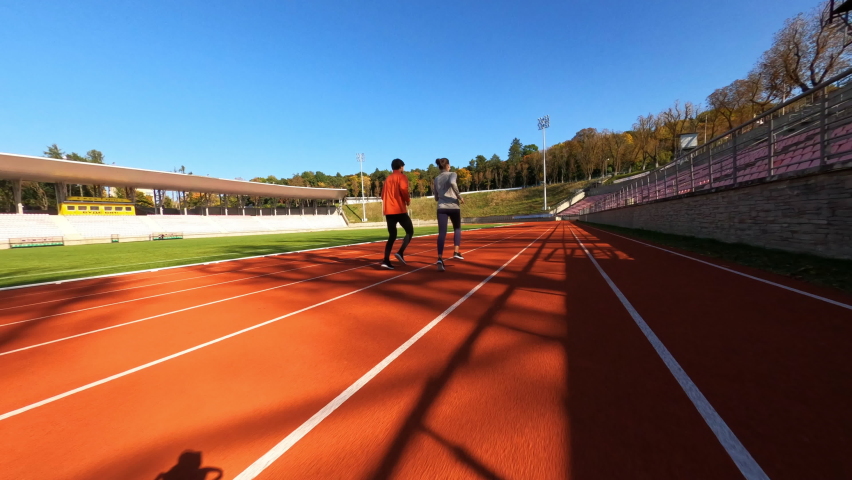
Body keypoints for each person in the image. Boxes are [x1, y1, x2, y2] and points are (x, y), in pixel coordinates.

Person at [432, 157, 465, 272]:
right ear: (447, 166)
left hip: (441, 207)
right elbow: (452, 183)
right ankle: (456, 251)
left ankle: (440, 258)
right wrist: (459, 197)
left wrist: (441, 196)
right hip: (453, 206)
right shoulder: (452, 174)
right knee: (457, 229)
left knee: (442, 233)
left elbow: (436, 197)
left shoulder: (436, 179)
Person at [380, 158, 413, 269]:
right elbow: (404, 189)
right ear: (401, 167)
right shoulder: (402, 177)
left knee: (392, 236)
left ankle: (386, 260)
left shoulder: (388, 179)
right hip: (399, 209)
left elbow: (382, 195)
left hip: (389, 211)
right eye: (403, 166)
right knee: (410, 231)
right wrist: (407, 200)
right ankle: (400, 252)